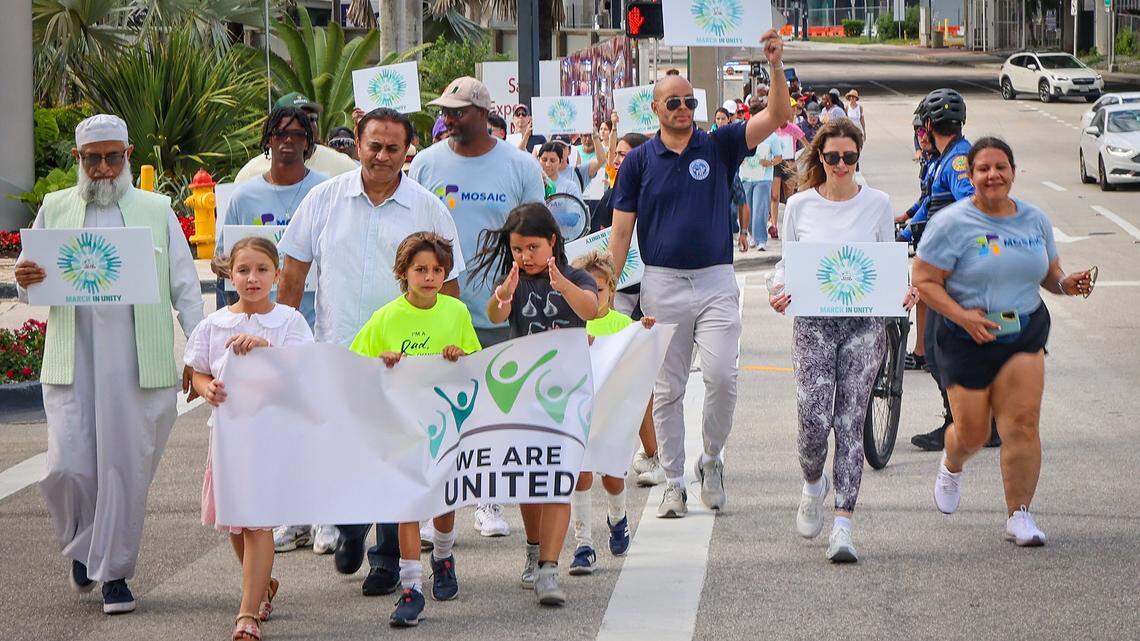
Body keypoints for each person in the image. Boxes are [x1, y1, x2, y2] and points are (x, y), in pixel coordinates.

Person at [13, 114, 204, 614]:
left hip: (140, 363)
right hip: (72, 359)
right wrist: (25, 277)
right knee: (65, 466)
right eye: (92, 158)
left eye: (112, 157)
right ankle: (84, 542)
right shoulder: (54, 208)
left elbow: (185, 285)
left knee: (125, 470)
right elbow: (29, 279)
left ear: (128, 153)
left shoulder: (156, 209)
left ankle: (115, 573)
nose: (102, 169)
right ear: (78, 159)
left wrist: (197, 354)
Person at [276, 107, 465, 597]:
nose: (382, 157)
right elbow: (293, 271)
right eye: (374, 146)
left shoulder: (428, 208)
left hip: (408, 360)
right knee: (342, 449)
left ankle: (384, 560)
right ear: (357, 144)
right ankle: (350, 526)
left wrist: (447, 350)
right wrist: (283, 338)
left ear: (408, 151)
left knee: (396, 454)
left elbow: (451, 284)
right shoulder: (323, 200)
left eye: (392, 148)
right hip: (340, 352)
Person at [607, 29, 793, 518]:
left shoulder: (721, 144)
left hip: (714, 281)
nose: (683, 108)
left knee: (722, 377)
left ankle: (711, 459)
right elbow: (622, 233)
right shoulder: (639, 162)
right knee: (667, 390)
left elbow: (777, 116)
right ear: (655, 110)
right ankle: (674, 481)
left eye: (689, 101)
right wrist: (606, 285)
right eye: (673, 102)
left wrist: (774, 64)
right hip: (661, 284)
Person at [913, 137, 1095, 547]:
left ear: (1013, 172)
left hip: (1022, 330)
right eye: (983, 169)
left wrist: (1067, 285)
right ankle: (952, 462)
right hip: (965, 335)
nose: (993, 175)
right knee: (974, 433)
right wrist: (962, 315)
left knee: (1023, 424)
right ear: (972, 175)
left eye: (1001, 167)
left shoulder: (1034, 220)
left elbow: (1049, 273)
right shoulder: (951, 223)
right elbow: (923, 281)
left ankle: (1019, 515)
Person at [767, 119, 919, 563]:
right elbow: (787, 263)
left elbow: (888, 264)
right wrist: (776, 291)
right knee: (813, 419)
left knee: (850, 420)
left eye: (848, 157)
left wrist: (902, 291)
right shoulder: (799, 205)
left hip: (862, 324)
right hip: (814, 322)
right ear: (819, 157)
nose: (840, 165)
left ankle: (843, 525)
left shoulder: (876, 203)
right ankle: (813, 482)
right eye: (831, 157)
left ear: (858, 158)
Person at [408, 77, 546, 538]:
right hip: (437, 307)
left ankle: (488, 501)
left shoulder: (520, 165)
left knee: (492, 410)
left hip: (499, 310)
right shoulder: (425, 163)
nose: (447, 117)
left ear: (483, 113)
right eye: (445, 110)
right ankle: (436, 505)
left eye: (458, 111)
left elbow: (539, 236)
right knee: (440, 410)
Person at [348, 232, 480, 626]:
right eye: (420, 269)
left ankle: (442, 557)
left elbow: (474, 362)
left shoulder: (456, 313)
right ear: (403, 272)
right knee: (406, 504)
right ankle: (411, 588)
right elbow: (355, 363)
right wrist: (381, 361)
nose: (429, 276)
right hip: (401, 426)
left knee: (442, 502)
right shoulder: (385, 318)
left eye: (437, 270)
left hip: (444, 424)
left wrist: (459, 356)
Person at [184, 237, 314, 640]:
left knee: (258, 525)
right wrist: (206, 389)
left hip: (272, 440)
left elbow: (305, 372)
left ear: (277, 274)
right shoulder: (214, 324)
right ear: (229, 274)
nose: (252, 278)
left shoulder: (289, 322)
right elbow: (198, 371)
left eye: (261, 270)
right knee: (238, 527)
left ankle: (247, 616)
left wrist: (264, 346)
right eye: (243, 270)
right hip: (227, 441)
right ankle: (262, 586)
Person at [474, 203, 600, 605]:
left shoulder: (575, 277)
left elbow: (591, 309)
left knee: (559, 481)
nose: (524, 257)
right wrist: (502, 294)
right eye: (516, 249)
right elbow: (498, 314)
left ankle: (549, 569)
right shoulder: (514, 281)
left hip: (568, 396)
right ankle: (533, 548)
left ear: (552, 242)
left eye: (531, 247)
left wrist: (562, 284)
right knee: (531, 479)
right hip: (525, 397)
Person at [906, 89, 1001, 453]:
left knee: (937, 348)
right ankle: (979, 425)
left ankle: (962, 424)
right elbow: (934, 204)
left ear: (930, 125)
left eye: (922, 126)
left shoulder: (958, 159)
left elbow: (967, 206)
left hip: (959, 269)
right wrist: (907, 226)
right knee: (951, 347)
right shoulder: (949, 158)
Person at [567, 251, 657, 576]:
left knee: (613, 477)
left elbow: (638, 351)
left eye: (599, 290)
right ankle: (583, 543)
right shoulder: (571, 325)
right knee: (581, 474)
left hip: (613, 414)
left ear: (612, 292)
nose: (593, 296)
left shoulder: (621, 324)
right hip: (581, 414)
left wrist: (644, 330)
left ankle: (617, 518)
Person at [586, 131, 666, 487]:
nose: (619, 159)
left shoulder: (656, 192)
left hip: (648, 289)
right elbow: (596, 240)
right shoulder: (608, 196)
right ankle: (609, 450)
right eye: (616, 154)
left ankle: (652, 453)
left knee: (642, 379)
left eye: (625, 154)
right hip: (614, 296)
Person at [211, 107, 326, 332]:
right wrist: (244, 268)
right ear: (268, 140)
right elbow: (221, 260)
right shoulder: (244, 196)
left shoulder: (325, 191)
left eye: (298, 134)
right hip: (256, 326)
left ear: (307, 142)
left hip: (312, 324)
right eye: (280, 133)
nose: (289, 139)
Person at [235, 93, 358, 181]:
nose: (308, 125)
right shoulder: (250, 174)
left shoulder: (344, 167)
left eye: (312, 118)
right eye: (296, 120)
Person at [898, 108, 939, 371]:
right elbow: (924, 199)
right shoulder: (930, 159)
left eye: (924, 132)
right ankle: (922, 349)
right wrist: (906, 216)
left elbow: (934, 202)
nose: (921, 137)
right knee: (921, 290)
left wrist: (909, 228)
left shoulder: (947, 161)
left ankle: (925, 350)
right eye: (917, 132)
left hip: (939, 239)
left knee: (922, 287)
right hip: (928, 233)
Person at [738, 105, 780, 251]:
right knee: (747, 208)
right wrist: (740, 159)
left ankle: (761, 239)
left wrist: (770, 162)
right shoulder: (744, 133)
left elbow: (779, 157)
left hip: (764, 177)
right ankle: (752, 236)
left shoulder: (772, 136)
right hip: (747, 177)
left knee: (759, 210)